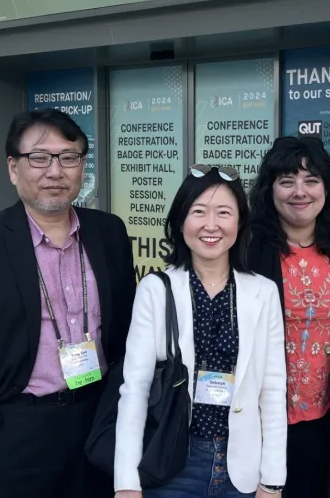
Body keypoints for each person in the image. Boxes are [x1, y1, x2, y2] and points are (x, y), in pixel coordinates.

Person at [114, 165, 287, 498]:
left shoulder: (262, 292)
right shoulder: (155, 289)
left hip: (243, 467)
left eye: (224, 213)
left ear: (239, 223)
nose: (211, 225)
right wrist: (126, 481)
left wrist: (273, 478)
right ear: (181, 222)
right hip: (174, 460)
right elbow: (134, 388)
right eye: (198, 212)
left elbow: (273, 388)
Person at [0, 108, 137, 498]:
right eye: (39, 157)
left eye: (68, 158)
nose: (55, 171)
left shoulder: (108, 231)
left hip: (98, 417)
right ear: (13, 167)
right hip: (19, 428)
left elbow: (125, 329)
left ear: (81, 167)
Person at [248, 136, 330, 498]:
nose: (300, 191)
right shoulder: (247, 250)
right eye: (286, 180)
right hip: (260, 422)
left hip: (324, 419)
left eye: (311, 180)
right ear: (270, 189)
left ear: (326, 188)